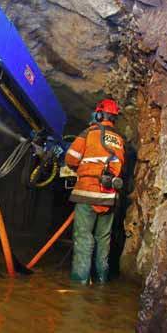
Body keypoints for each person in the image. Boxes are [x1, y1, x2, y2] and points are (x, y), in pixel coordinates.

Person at [64, 99, 125, 284]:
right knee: (103, 239)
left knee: (84, 237)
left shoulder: (88, 133)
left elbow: (71, 159)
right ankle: (101, 280)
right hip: (109, 196)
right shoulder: (120, 140)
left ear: (99, 114)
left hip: (87, 193)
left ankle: (80, 282)